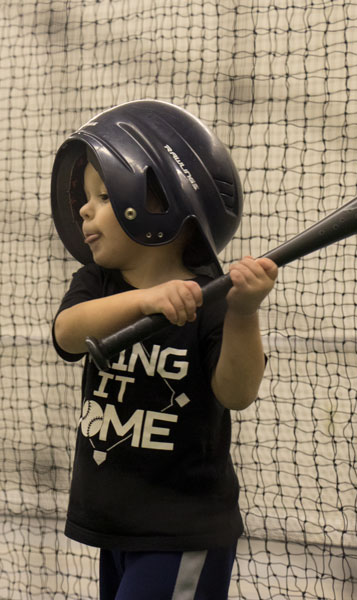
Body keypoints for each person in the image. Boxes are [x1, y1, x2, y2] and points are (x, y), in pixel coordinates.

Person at [50, 100, 277, 599]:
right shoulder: (98, 283)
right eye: (87, 197)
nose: (85, 209)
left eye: (105, 195)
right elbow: (69, 333)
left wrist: (243, 312)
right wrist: (145, 300)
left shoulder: (212, 296)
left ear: (159, 202)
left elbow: (236, 392)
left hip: (181, 531)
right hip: (117, 526)